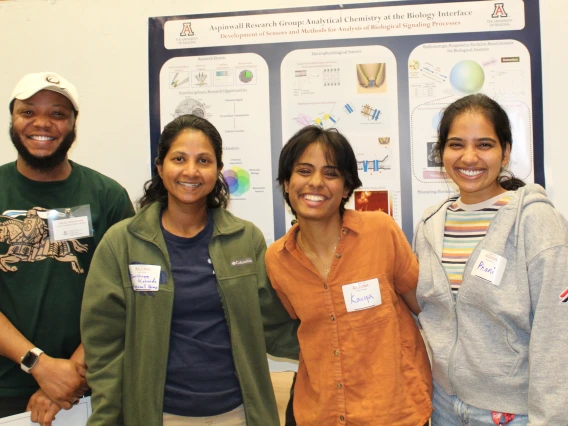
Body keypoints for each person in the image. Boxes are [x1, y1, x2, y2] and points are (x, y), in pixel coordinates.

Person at [80, 114, 299, 426]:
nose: (191, 171)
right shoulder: (122, 243)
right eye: (179, 158)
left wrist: (344, 341)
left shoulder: (245, 239)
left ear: (218, 170)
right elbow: (104, 348)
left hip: (238, 414)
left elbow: (271, 325)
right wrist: (105, 418)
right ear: (160, 167)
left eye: (204, 160)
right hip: (160, 415)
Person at [414, 93, 568, 425]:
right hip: (443, 405)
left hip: (513, 412)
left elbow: (557, 332)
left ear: (506, 152)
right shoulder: (430, 225)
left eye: (484, 144)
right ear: (441, 152)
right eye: (456, 144)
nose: (469, 157)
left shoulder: (535, 220)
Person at [265, 126, 432, 425]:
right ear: (287, 183)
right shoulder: (277, 259)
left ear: (345, 188)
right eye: (304, 171)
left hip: (394, 413)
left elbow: (427, 310)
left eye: (330, 173)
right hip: (319, 413)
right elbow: (303, 329)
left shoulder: (380, 232)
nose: (316, 183)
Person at [0, 72, 135, 424]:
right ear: (12, 118)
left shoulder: (107, 197)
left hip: (90, 388)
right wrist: (38, 364)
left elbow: (127, 294)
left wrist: (71, 374)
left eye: (58, 113)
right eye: (28, 112)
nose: (42, 123)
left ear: (74, 124)